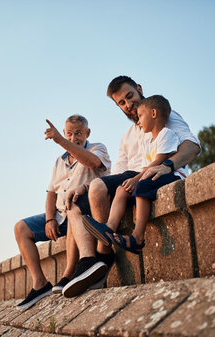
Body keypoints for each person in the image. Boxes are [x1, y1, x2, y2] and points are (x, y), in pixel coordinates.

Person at [61, 76, 200, 298]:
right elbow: (116, 173)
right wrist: (83, 188)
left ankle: (103, 257)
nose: (128, 105)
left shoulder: (164, 114)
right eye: (121, 103)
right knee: (81, 197)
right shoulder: (127, 136)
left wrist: (167, 165)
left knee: (103, 186)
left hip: (150, 173)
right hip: (128, 176)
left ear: (139, 89)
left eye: (130, 96)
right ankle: (92, 261)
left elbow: (192, 146)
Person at [15, 114, 111, 309]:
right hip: (59, 215)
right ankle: (40, 283)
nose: (74, 137)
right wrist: (50, 219)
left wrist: (61, 141)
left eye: (78, 133)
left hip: (82, 211)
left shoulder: (97, 148)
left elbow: (93, 163)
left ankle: (73, 271)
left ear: (87, 133)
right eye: (69, 134)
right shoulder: (59, 161)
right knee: (20, 228)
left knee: (72, 207)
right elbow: (51, 193)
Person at [83, 95, 188, 253]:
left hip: (172, 175)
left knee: (142, 186)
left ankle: (138, 237)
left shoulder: (166, 134)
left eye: (140, 116)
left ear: (153, 114)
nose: (137, 121)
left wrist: (136, 179)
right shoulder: (147, 140)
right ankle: (109, 228)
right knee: (121, 189)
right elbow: (146, 167)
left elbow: (158, 162)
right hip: (152, 174)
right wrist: (133, 179)